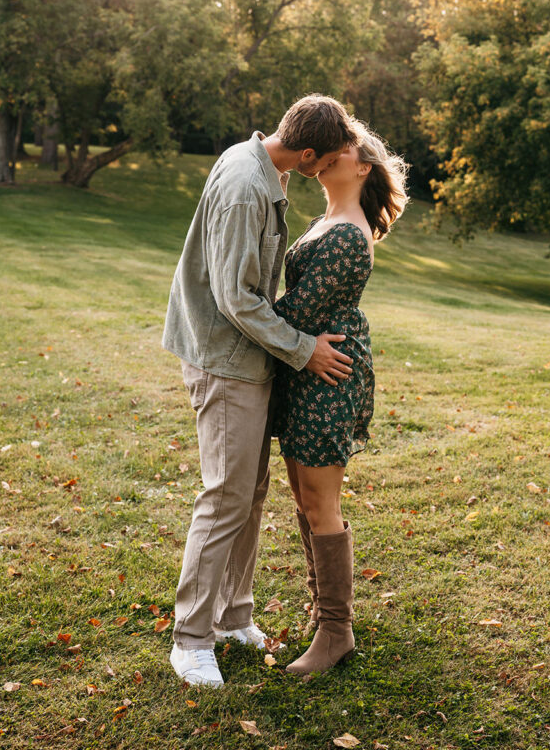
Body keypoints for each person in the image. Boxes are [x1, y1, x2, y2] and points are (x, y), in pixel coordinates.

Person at [162, 95, 359, 688]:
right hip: (225, 361)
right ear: (305, 152)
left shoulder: (263, 166)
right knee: (225, 494)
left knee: (249, 490)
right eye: (321, 163)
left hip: (246, 359)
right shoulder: (248, 187)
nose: (323, 172)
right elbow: (236, 298)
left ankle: (231, 616)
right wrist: (305, 348)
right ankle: (191, 640)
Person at [271, 123, 409, 675]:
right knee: (305, 498)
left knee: (321, 503)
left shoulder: (350, 235)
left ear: (362, 168)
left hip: (329, 377)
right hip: (303, 370)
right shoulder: (323, 223)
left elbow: (297, 312)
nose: (328, 155)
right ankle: (322, 614)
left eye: (342, 150)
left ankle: (336, 632)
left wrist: (234, 317)